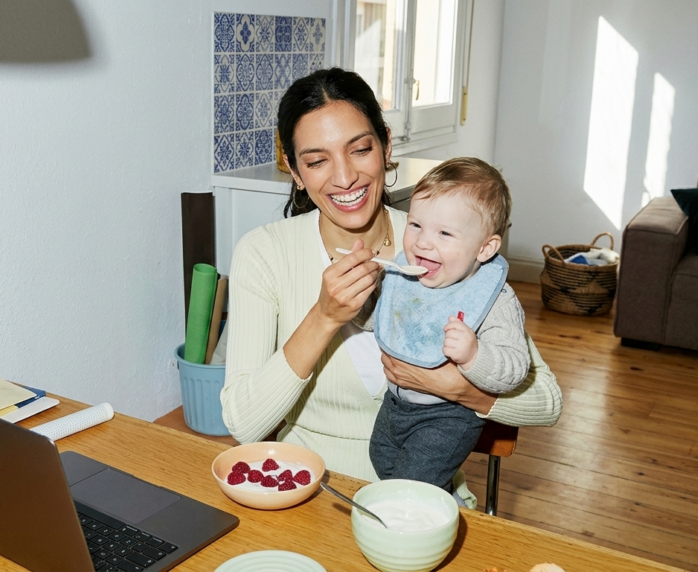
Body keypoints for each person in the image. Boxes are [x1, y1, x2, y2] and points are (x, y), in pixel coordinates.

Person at [220, 68, 561, 507]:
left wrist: (456, 387)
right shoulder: (264, 253)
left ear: (385, 146)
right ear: (296, 172)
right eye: (317, 160)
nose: (344, 178)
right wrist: (323, 318)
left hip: (424, 500)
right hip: (308, 493)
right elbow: (243, 424)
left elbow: (546, 402)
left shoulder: (444, 247)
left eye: (360, 149)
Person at [357, 157, 529, 493]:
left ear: (485, 248)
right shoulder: (404, 273)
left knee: (409, 487)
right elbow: (377, 321)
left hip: (447, 418)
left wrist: (474, 354)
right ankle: (441, 503)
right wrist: (360, 299)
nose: (422, 242)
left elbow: (516, 367)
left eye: (444, 233)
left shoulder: (494, 299)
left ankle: (428, 517)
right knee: (382, 460)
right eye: (416, 225)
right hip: (395, 406)